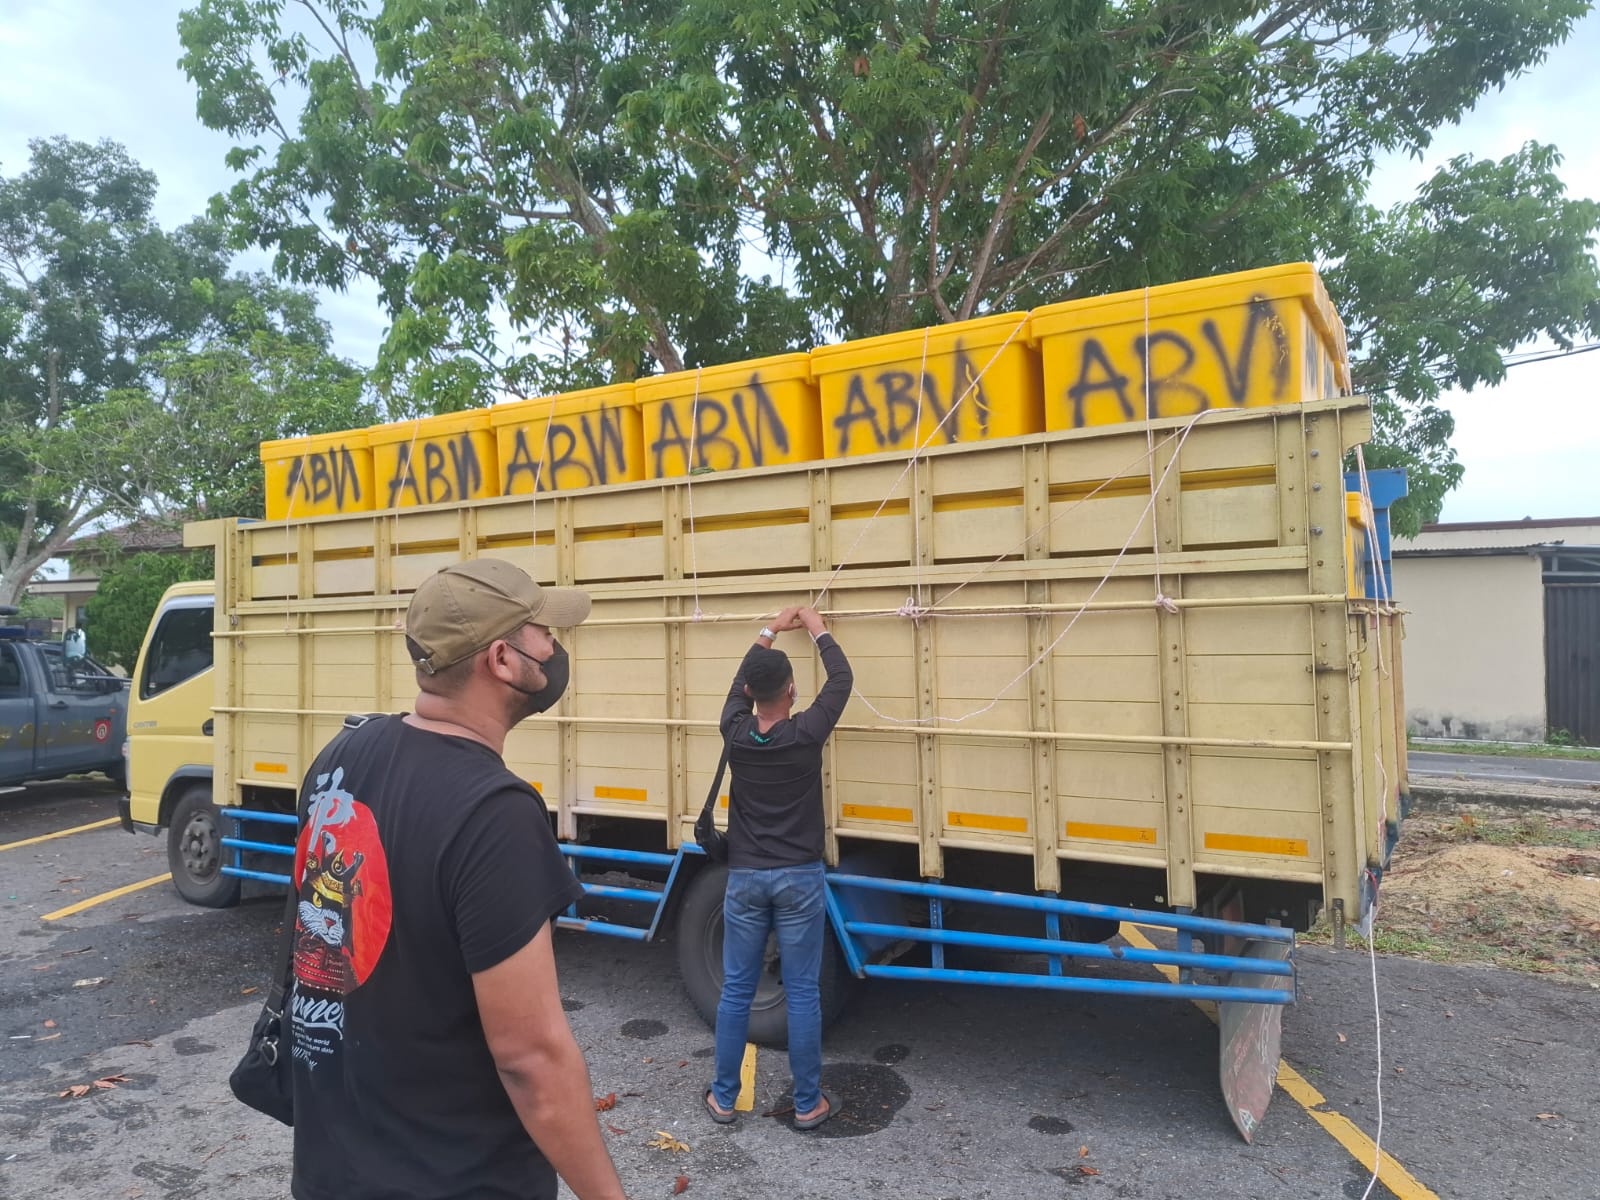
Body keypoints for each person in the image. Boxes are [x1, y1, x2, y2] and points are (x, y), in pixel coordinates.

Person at [286, 558, 628, 1200]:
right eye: (545, 634)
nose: (556, 650)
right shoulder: (493, 812)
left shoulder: (341, 754)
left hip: (331, 1176)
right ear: (501, 659)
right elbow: (530, 1060)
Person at [705, 604, 853, 1131]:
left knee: (737, 991)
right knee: (804, 991)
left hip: (745, 878)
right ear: (791, 692)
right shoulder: (806, 734)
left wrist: (768, 628)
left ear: (748, 695)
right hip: (799, 880)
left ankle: (724, 1099)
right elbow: (842, 678)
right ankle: (808, 1103)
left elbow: (738, 683)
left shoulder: (736, 733)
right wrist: (814, 625)